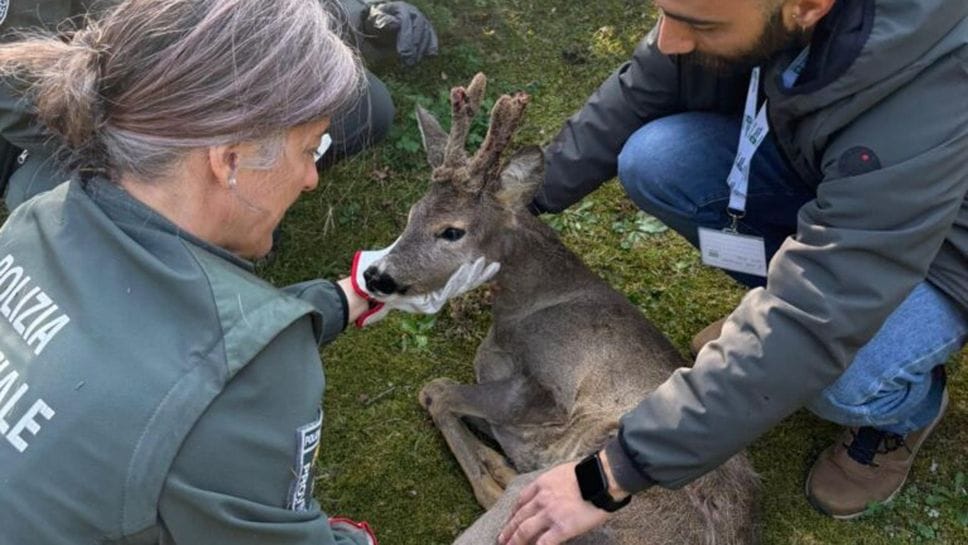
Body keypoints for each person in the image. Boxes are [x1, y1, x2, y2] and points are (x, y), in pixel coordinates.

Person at [0, 1, 494, 544]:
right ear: (230, 160)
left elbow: (183, 346)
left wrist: (350, 295)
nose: (311, 178)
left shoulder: (39, 220)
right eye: (308, 149)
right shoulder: (255, 380)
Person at [501, 0, 967, 543]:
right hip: (846, 185)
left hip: (946, 253)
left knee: (842, 374)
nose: (669, 39)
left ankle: (904, 410)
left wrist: (609, 473)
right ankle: (764, 340)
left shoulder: (933, 86)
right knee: (658, 160)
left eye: (699, 25)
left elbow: (822, 309)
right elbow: (650, 79)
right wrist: (508, 215)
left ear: (808, 6)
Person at [0, 0, 438, 210]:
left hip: (206, 68)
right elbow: (21, 103)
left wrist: (361, 17)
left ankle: (248, 203)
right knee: (49, 200)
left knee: (364, 107)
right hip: (91, 123)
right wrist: (173, 139)